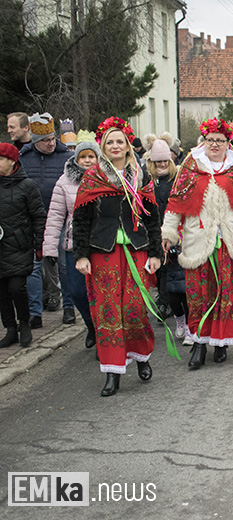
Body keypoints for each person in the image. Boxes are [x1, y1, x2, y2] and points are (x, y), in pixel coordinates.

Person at [161, 118, 233, 370]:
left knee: (226, 294)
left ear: (227, 143)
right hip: (199, 242)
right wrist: (168, 233)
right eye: (210, 140)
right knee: (199, 296)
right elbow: (176, 202)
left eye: (220, 141)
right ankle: (199, 345)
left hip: (229, 242)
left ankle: (220, 342)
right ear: (204, 141)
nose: (214, 145)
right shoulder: (190, 165)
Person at [72, 117, 162, 396]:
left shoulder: (141, 176)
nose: (114, 145)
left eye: (119, 141)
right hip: (103, 252)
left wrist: (156, 252)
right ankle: (112, 372)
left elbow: (152, 218)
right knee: (109, 311)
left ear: (127, 147)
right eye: (109, 142)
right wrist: (81, 255)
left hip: (136, 250)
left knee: (134, 308)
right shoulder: (93, 177)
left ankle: (142, 359)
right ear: (103, 146)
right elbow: (81, 219)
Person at [42, 137, 101, 349]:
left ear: (98, 158)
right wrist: (49, 248)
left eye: (91, 156)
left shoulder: (105, 179)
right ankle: (92, 325)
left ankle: (103, 335)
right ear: (76, 158)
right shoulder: (64, 182)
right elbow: (56, 216)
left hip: (101, 245)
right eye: (83, 156)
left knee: (101, 293)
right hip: (73, 245)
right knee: (77, 292)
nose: (87, 160)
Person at [19, 112, 74, 328]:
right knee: (34, 265)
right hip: (33, 220)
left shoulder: (65, 159)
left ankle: (68, 306)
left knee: (63, 264)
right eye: (45, 141)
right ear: (34, 141)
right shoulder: (24, 159)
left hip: (59, 218)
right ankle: (35, 313)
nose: (51, 143)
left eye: (52, 139)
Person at [0, 143, 46, 349]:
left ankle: (24, 323)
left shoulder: (27, 186)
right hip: (1, 247)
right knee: (1, 291)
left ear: (11, 161)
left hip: (19, 245)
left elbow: (38, 216)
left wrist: (39, 245)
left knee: (17, 287)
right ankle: (10, 329)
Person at [144, 133, 182, 332]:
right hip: (151, 231)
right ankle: (162, 298)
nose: (161, 164)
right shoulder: (145, 178)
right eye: (157, 161)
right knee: (157, 269)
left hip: (171, 231)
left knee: (169, 269)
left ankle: (166, 304)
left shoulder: (176, 178)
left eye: (165, 161)